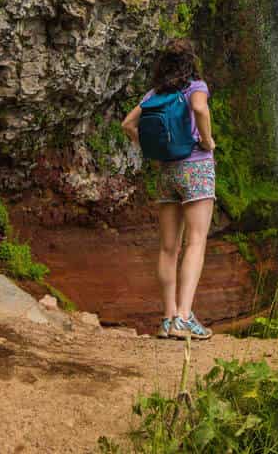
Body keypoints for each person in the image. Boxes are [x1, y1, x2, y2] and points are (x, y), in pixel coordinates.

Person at [122, 38, 216, 340]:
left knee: (168, 247)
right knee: (196, 242)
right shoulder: (195, 87)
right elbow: (200, 109)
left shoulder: (155, 94)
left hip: (166, 171)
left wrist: (149, 148)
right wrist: (207, 140)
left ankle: (167, 317)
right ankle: (184, 318)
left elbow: (127, 124)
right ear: (192, 62)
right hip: (196, 168)